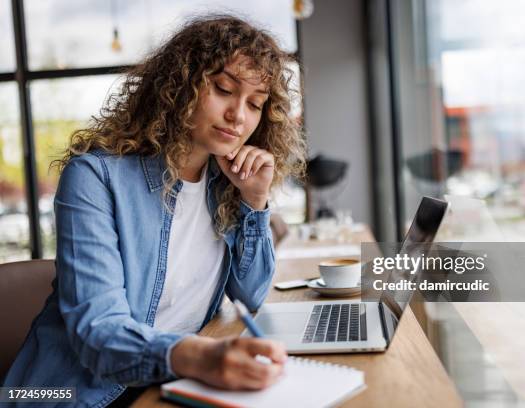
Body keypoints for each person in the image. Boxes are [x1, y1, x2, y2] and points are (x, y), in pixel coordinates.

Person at [3, 15, 307, 407]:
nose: (239, 115)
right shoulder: (95, 178)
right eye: (223, 89)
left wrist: (254, 201)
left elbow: (250, 295)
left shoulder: (225, 184)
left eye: (255, 104)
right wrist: (200, 356)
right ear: (180, 85)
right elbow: (99, 334)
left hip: (170, 383)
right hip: (75, 396)